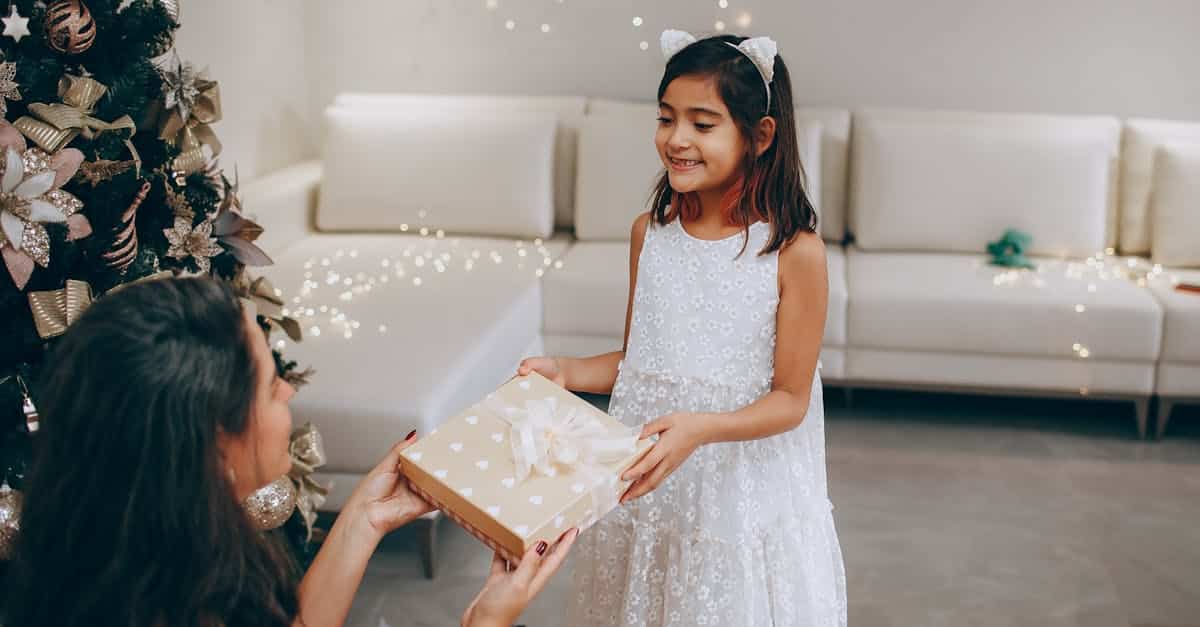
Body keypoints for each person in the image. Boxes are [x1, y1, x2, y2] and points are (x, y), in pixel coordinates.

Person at [6, 277, 575, 627]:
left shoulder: (148, 559)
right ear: (214, 453)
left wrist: (363, 520)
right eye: (269, 383)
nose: (289, 391)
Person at [519, 30, 846, 626]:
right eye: (667, 119)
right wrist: (564, 371)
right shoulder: (652, 234)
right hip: (650, 483)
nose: (676, 140)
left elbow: (791, 400)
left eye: (703, 124)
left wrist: (701, 429)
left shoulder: (794, 253)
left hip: (734, 492)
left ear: (760, 136)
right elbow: (641, 359)